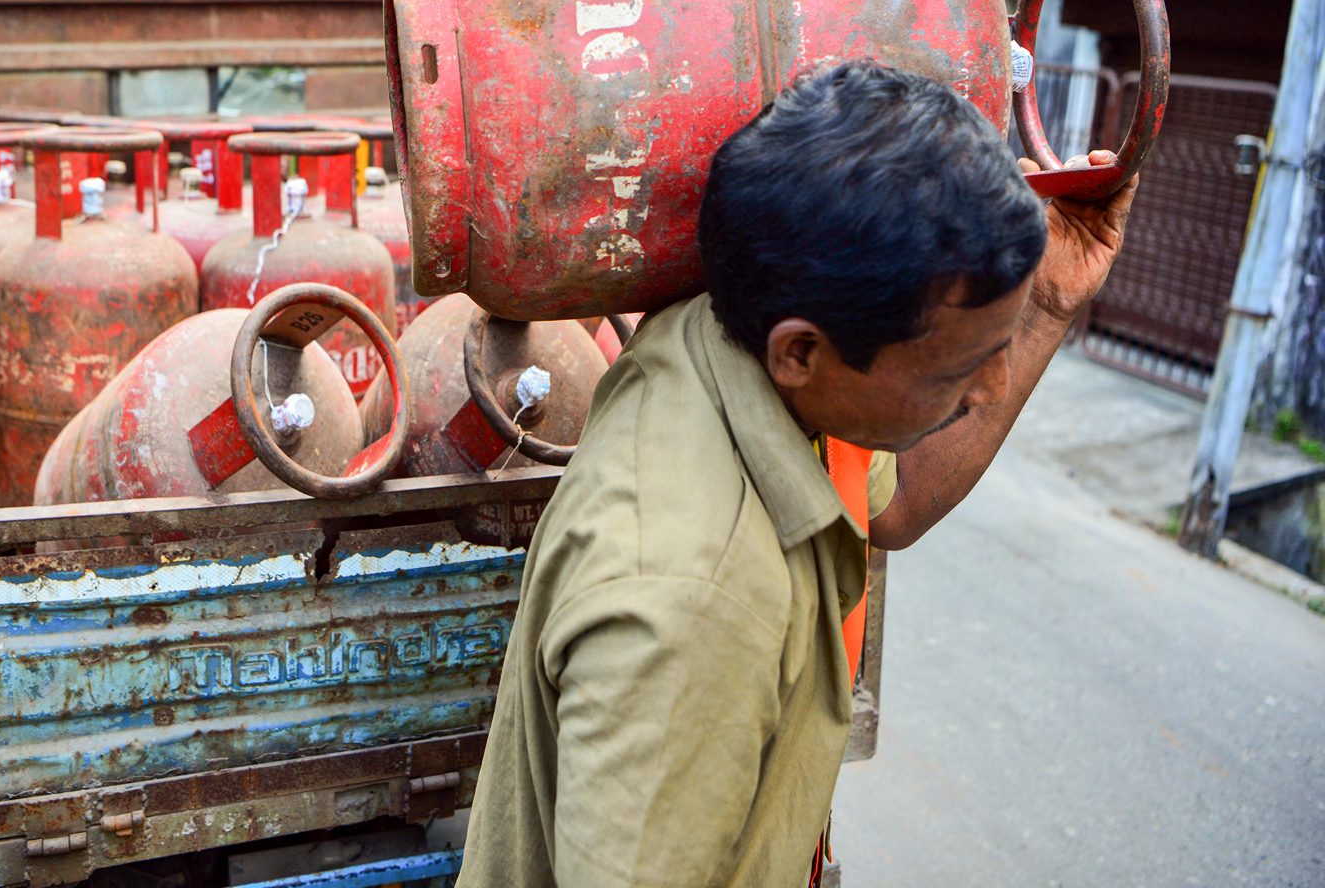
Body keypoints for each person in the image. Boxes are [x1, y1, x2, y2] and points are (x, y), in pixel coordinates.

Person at [457, 61, 1138, 887]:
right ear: (803, 353)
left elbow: (898, 503)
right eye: (957, 367)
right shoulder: (694, 602)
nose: (989, 388)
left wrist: (1050, 306)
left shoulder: (733, 333)